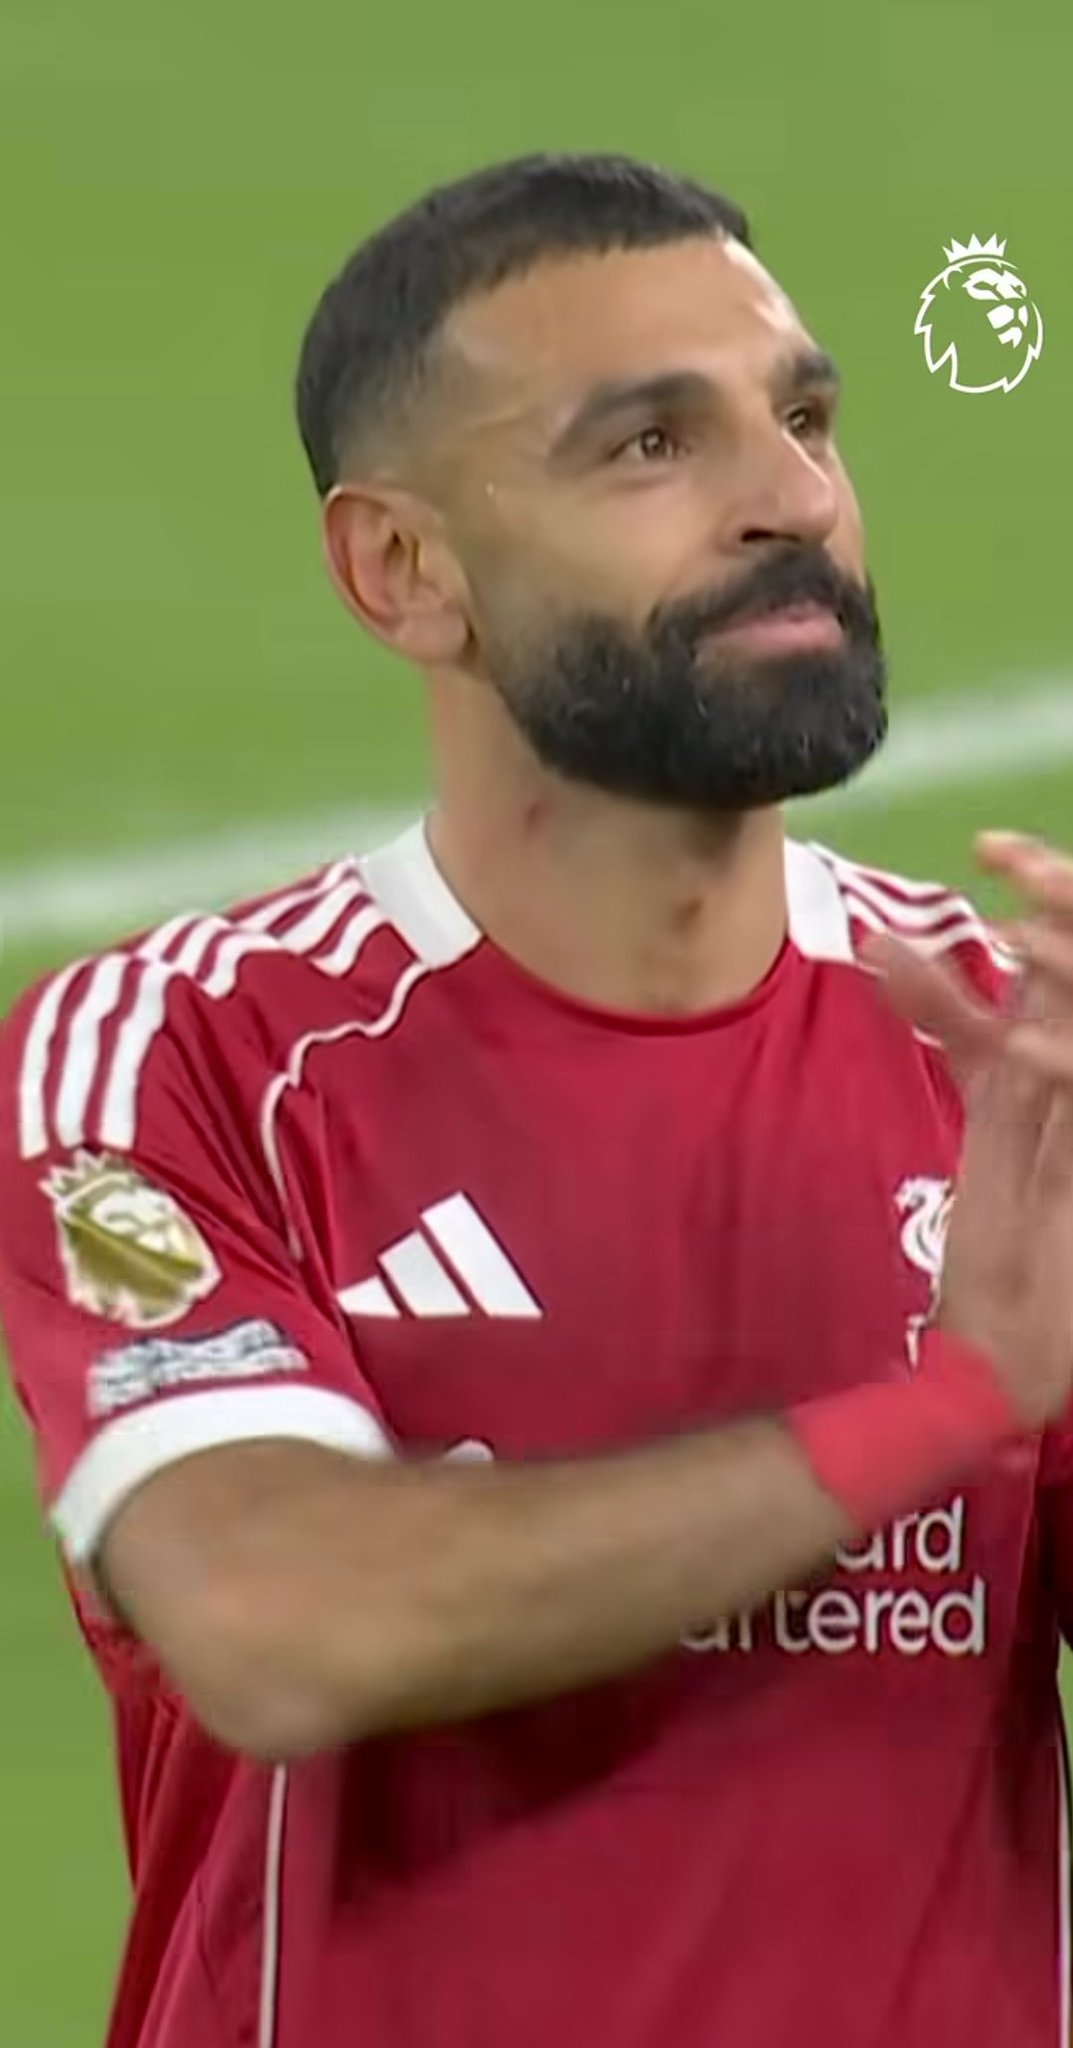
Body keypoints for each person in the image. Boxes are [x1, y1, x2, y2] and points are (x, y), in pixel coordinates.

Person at [2, 151, 1073, 2048]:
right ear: (402, 572)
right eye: (650, 446)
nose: (790, 499)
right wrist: (955, 1402)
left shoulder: (1009, 1059)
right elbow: (283, 1620)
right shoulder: (182, 1058)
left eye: (803, 418)